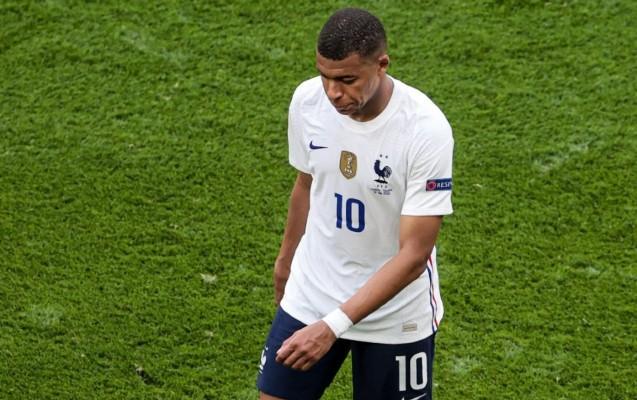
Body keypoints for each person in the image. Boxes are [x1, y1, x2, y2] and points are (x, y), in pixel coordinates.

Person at [257, 7, 454, 400]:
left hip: (394, 313)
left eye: (347, 80)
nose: (333, 92)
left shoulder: (425, 130)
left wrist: (333, 326)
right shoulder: (308, 102)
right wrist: (286, 260)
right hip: (313, 291)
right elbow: (306, 184)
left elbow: (414, 255)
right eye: (325, 76)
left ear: (381, 65)